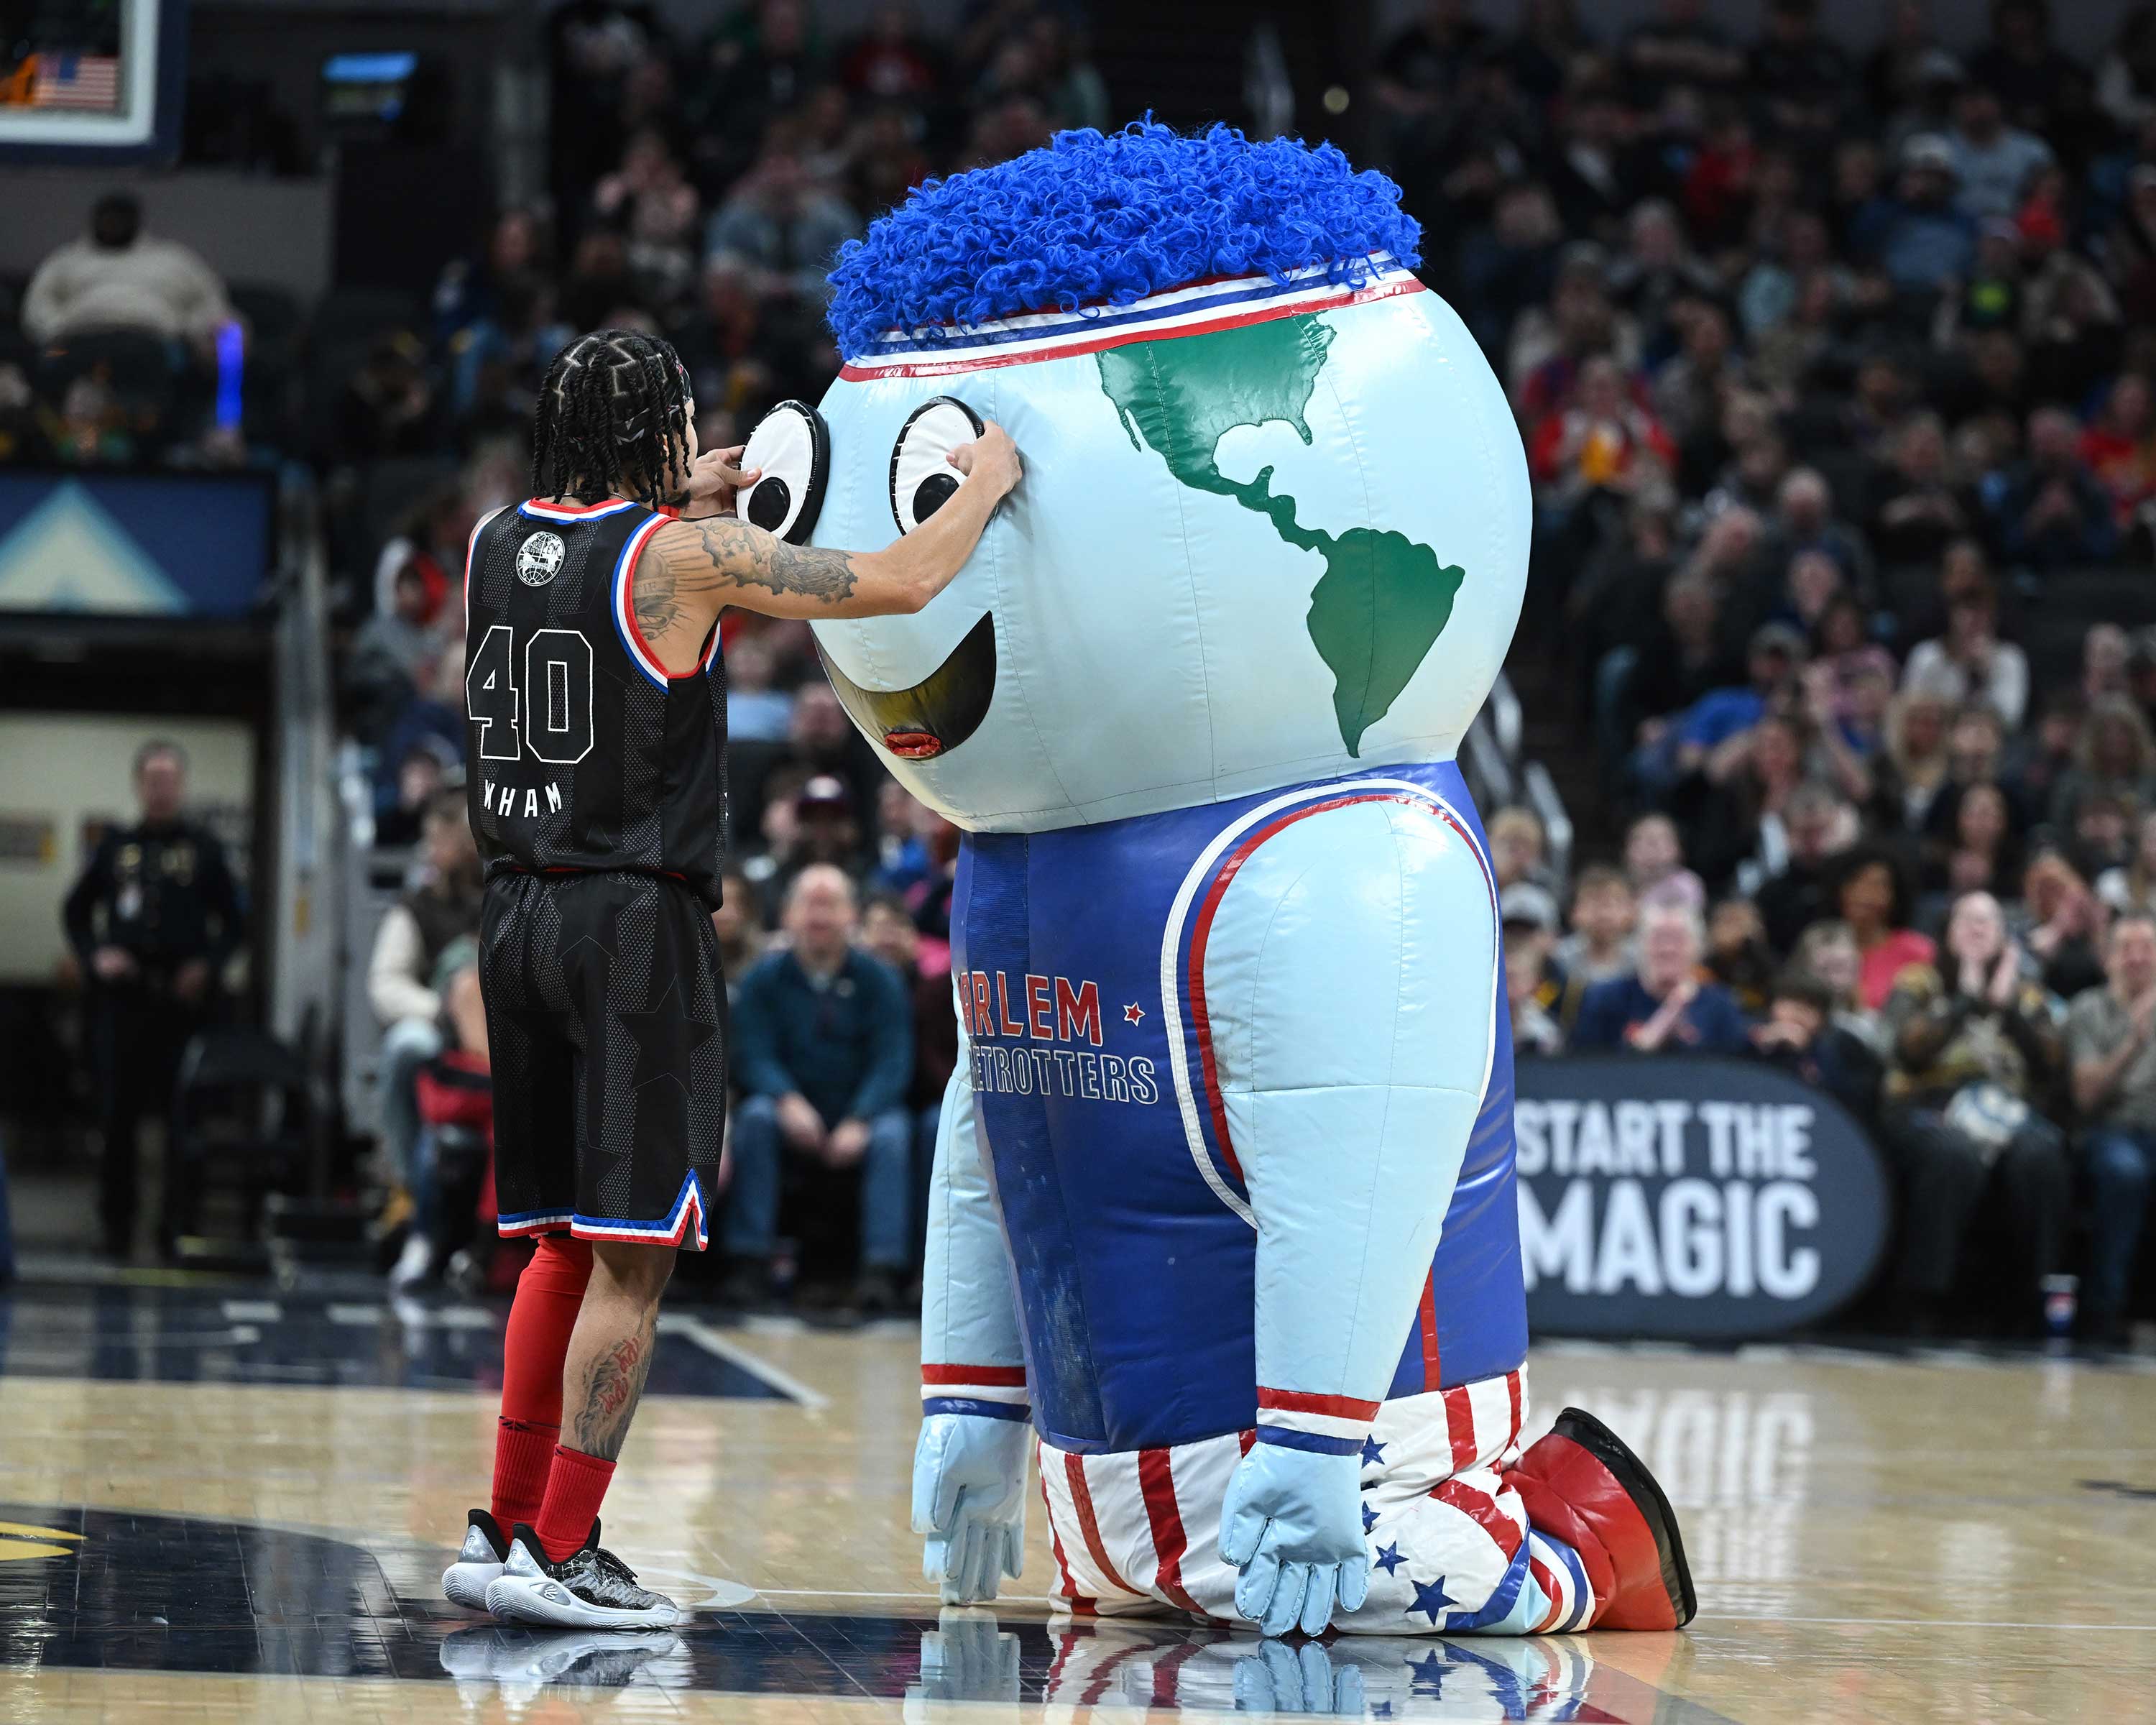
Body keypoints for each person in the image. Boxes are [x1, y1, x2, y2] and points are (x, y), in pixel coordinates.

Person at [441, 327, 1020, 1629]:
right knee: (635, 1261)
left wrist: (681, 500)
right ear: (656, 432)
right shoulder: (685, 560)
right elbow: (901, 580)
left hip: (513, 912)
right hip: (628, 923)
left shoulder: (489, 543)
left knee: (555, 1244)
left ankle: (506, 1528)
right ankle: (567, 1551)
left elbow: (595, 573)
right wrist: (984, 479)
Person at [62, 742, 244, 1260]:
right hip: (124, 1004)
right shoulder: (116, 846)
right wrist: (95, 955)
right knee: (116, 1118)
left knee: (183, 1119)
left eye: (169, 780)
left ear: (181, 786)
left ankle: (178, 1227)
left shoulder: (205, 849)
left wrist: (207, 965)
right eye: (152, 779)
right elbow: (76, 912)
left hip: (183, 1007)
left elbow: (236, 924)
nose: (161, 789)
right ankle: (116, 1227)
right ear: (139, 785)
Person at [724, 865, 916, 1310]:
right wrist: (786, 1099)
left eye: (831, 904)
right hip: (788, 1107)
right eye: (810, 904)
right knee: (755, 1119)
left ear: (852, 915)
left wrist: (860, 1117)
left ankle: (882, 1271)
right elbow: (753, 1053)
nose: (820, 916)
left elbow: (893, 1060)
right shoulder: (763, 978)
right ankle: (748, 1262)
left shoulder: (881, 980)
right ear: (787, 914)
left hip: (860, 1110)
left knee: (894, 1133)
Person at [1879, 891, 2068, 1335]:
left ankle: (2029, 1304)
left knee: (2041, 1155)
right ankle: (1924, 1301)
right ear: (1947, 933)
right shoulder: (1918, 982)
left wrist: (2008, 1010)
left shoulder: (2026, 994)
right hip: (1928, 1103)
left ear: (2005, 937)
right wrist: (1964, 1001)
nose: (1977, 928)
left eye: (1988, 921)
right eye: (1967, 920)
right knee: (1952, 1154)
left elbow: (2051, 1067)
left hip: (2006, 1108)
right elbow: (1905, 1052)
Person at [367, 793, 483, 1287]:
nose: (432, 850)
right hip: (441, 1027)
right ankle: (407, 1186)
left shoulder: (510, 896)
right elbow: (385, 985)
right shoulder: (416, 907)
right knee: (406, 1044)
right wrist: (442, 1011)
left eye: (442, 840)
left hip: (502, 1030)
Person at [2067, 911, 2156, 1343]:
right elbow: (2086, 1096)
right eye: (2126, 949)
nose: (2137, 958)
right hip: (2110, 1129)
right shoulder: (2088, 1008)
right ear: (2107, 959)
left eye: (2148, 948)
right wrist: (2133, 1042)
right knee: (2125, 1173)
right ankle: (2104, 1312)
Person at [22, 192, 236, 350]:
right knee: (57, 358)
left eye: (120, 219)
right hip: (79, 338)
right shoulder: (66, 260)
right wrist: (58, 329)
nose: (113, 224)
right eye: (108, 218)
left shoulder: (173, 259)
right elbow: (38, 304)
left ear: (136, 221)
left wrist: (189, 328)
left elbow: (210, 301)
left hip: (156, 340)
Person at [1570, 901, 1749, 1055]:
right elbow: (1584, 1066)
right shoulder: (1603, 999)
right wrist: (1658, 1027)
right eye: (1658, 938)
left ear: (1698, 948)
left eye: (1678, 939)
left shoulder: (1721, 1005)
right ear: (1639, 945)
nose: (1667, 949)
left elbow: (1735, 1069)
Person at [1830, 845, 1935, 1011]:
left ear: (1896, 895)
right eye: (1855, 881)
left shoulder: (1917, 951)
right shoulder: (1817, 944)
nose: (1863, 894)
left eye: (1877, 885)